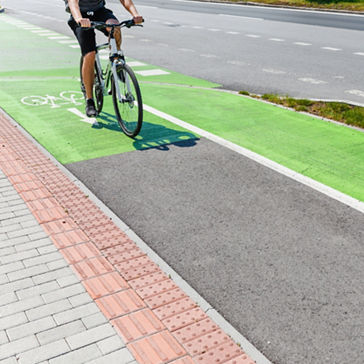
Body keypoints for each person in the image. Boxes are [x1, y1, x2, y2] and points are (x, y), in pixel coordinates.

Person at [65, 0, 143, 117]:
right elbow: (73, 3)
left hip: (99, 11)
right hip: (80, 15)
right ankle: (90, 101)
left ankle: (117, 62)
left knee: (115, 27)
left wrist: (135, 14)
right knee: (90, 54)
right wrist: (79, 19)